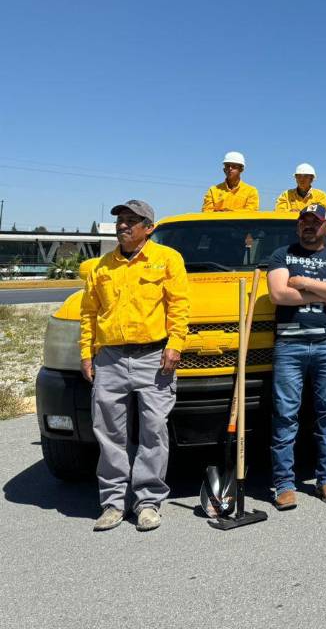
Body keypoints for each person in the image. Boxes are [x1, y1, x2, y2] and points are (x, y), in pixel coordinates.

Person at [80, 200, 189, 531]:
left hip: (153, 358)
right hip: (110, 358)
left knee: (153, 430)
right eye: (120, 220)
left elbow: (180, 305)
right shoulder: (101, 267)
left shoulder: (167, 260)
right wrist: (87, 352)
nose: (123, 225)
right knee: (109, 432)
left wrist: (175, 345)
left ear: (148, 227)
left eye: (131, 220)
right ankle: (113, 503)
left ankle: (147, 502)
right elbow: (89, 313)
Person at [266, 205, 326, 509]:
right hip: (289, 346)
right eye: (304, 221)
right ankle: (284, 484)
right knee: (285, 415)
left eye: (315, 223)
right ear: (297, 226)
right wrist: (325, 293)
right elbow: (278, 295)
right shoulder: (281, 255)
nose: (308, 226)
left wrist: (303, 283)